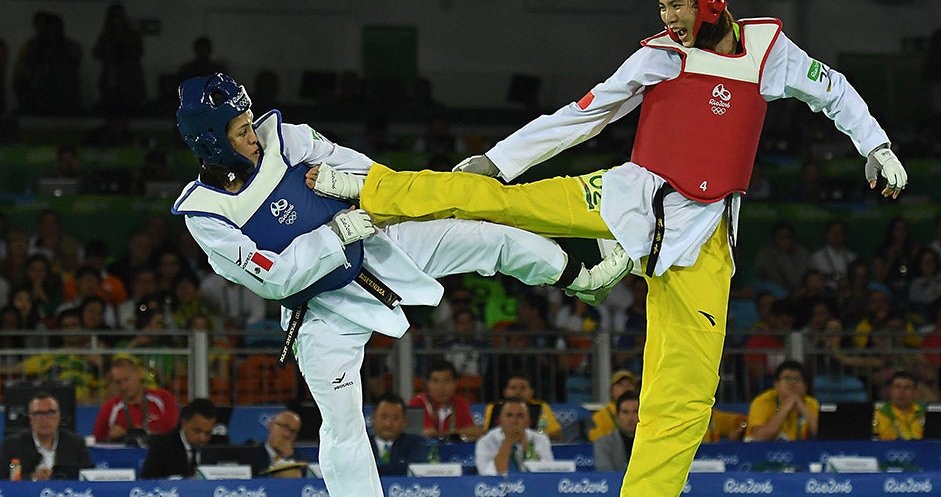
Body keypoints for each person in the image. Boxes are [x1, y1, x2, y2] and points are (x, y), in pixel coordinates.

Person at [319, 0, 907, 493]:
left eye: (678, 2)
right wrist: (499, 160)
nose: (669, 15)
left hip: (701, 242)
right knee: (499, 200)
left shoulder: (768, 51)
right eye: (662, 4)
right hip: (626, 198)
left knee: (685, 402)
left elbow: (832, 89)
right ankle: (367, 195)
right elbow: (585, 114)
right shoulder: (658, 55)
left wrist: (875, 146)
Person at [169, 73, 629, 497]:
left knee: (486, 239)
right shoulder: (207, 215)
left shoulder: (286, 138)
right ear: (212, 143)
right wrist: (338, 232)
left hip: (378, 244)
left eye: (250, 123)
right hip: (320, 313)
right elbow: (275, 277)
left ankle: (582, 278)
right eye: (240, 131)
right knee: (343, 423)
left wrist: (345, 186)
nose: (252, 136)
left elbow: (371, 175)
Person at [0, 391, 94, 481]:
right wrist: (31, 478)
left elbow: (88, 476)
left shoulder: (76, 444)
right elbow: (4, 478)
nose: (44, 420)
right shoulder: (12, 446)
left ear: (59, 416)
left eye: (50, 413)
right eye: (38, 414)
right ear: (30, 418)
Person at [92, 355, 180, 445]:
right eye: (118, 382)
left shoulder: (163, 398)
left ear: (139, 373)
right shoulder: (109, 407)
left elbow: (176, 436)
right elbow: (97, 442)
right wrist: (110, 438)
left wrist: (146, 435)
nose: (123, 387)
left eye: (126, 380)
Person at [140, 398, 217, 479]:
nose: (203, 438)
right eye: (197, 431)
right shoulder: (162, 447)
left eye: (208, 433)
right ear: (184, 423)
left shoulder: (218, 447)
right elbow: (148, 481)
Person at [474, 397, 553, 475]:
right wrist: (508, 442)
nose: (514, 420)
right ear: (500, 420)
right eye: (509, 415)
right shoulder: (486, 441)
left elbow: (545, 474)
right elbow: (489, 475)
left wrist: (526, 445)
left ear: (528, 420)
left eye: (520, 416)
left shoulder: (541, 440)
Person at [409, 359, 482, 442]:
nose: (441, 388)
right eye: (435, 381)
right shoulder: (418, 402)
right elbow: (423, 433)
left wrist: (444, 435)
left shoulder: (460, 403)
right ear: (427, 384)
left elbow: (476, 431)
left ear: (456, 383)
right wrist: (457, 434)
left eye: (446, 381)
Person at [745, 360, 819, 442]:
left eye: (797, 379)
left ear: (805, 386)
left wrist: (802, 407)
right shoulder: (762, 402)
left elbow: (824, 435)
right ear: (776, 385)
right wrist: (786, 408)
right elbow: (760, 437)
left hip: (797, 451)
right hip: (759, 451)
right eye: (786, 379)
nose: (792, 383)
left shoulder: (811, 403)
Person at [483, 372, 563, 441]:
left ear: (532, 391)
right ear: (505, 391)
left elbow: (557, 434)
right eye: (513, 388)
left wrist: (537, 439)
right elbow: (487, 434)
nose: (518, 392)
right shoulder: (493, 407)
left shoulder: (542, 406)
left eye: (523, 388)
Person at [369, 393, 426, 477]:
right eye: (384, 417)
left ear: (404, 421)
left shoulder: (415, 443)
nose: (388, 424)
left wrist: (374, 470)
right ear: (373, 418)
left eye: (395, 418)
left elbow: (414, 469)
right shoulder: (361, 444)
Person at [593, 391, 639, 472]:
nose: (630, 418)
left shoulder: (652, 442)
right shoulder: (603, 443)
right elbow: (606, 475)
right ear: (617, 416)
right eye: (625, 412)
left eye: (635, 412)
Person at [253, 410, 307, 477]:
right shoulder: (251, 456)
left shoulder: (301, 460)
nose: (287, 434)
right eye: (284, 427)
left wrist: (289, 458)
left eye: (293, 431)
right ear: (271, 425)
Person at [588, 369, 639, 442]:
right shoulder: (600, 416)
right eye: (620, 385)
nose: (625, 388)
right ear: (611, 391)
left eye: (629, 384)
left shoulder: (644, 412)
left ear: (636, 389)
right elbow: (596, 440)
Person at [874, 371, 925, 441]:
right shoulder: (877, 415)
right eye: (897, 387)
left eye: (907, 387)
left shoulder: (925, 414)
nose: (902, 392)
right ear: (890, 390)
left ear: (915, 392)